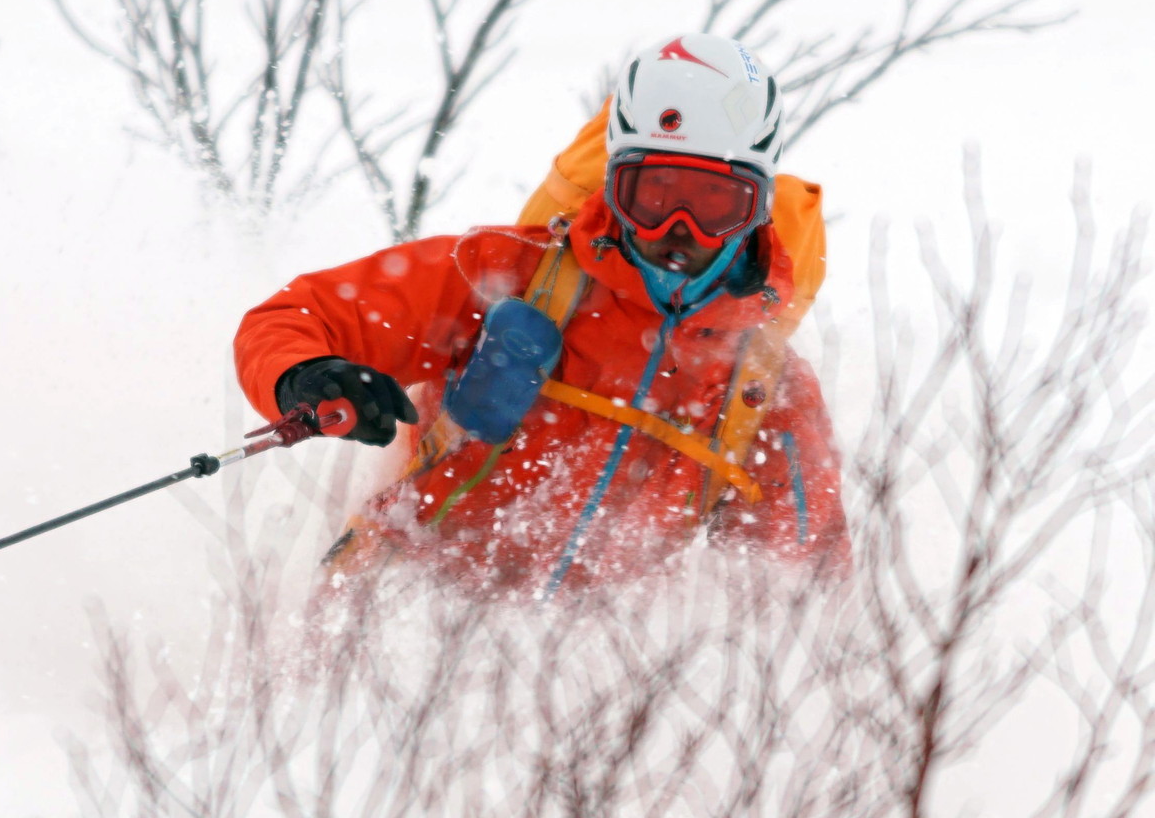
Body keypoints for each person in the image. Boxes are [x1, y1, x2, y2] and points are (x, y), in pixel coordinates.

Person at [234, 33, 849, 591]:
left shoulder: (765, 392)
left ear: (759, 209)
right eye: (652, 195)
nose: (677, 232)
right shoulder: (506, 275)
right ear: (613, 184)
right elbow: (294, 317)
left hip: (576, 684)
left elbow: (799, 598)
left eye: (717, 203)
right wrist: (305, 377)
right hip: (395, 605)